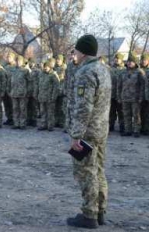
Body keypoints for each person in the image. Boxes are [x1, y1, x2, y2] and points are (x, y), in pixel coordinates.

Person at [67, 34, 111, 229]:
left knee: (86, 172)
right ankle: (100, 211)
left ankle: (89, 215)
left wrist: (76, 135)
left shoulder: (86, 72)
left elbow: (84, 107)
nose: (74, 54)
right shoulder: (103, 69)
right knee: (99, 170)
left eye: (75, 50)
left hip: (87, 133)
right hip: (101, 130)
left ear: (82, 52)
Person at [117, 52, 145, 137]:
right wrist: (119, 96)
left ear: (135, 62)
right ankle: (128, 130)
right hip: (125, 97)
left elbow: (142, 86)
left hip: (135, 98)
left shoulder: (139, 72)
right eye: (128, 61)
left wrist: (141, 97)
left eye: (131, 61)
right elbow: (119, 85)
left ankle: (136, 130)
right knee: (126, 115)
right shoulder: (123, 72)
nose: (129, 63)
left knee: (136, 115)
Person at [36, 61, 59, 131]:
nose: (45, 68)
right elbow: (38, 84)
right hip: (42, 96)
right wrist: (37, 94)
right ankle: (43, 125)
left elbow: (56, 86)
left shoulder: (53, 75)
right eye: (45, 66)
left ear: (50, 67)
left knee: (50, 112)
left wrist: (54, 96)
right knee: (43, 112)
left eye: (47, 67)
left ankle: (50, 126)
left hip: (50, 97)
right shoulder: (41, 74)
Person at [9, 55, 29, 129]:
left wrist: (28, 91)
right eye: (17, 61)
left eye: (19, 61)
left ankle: (22, 124)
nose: (18, 62)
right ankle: (16, 123)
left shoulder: (25, 71)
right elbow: (9, 81)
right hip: (14, 92)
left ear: (22, 62)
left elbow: (29, 81)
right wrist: (9, 90)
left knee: (22, 109)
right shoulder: (12, 70)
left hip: (22, 93)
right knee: (15, 108)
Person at [109, 53, 126, 132]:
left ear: (121, 59)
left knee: (121, 112)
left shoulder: (125, 70)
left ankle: (122, 127)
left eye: (118, 58)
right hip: (111, 94)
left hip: (121, 94)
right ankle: (111, 125)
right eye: (115, 58)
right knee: (111, 111)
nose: (116, 60)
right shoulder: (110, 69)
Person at [65, 50, 79, 132]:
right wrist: (65, 89)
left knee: (78, 110)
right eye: (72, 54)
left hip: (78, 92)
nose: (73, 56)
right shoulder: (69, 66)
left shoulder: (82, 65)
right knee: (69, 109)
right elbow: (66, 78)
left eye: (74, 54)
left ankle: (76, 127)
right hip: (70, 91)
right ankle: (68, 127)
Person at [54, 54, 67, 128]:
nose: (57, 61)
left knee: (62, 107)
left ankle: (62, 122)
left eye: (59, 60)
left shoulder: (64, 68)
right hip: (56, 90)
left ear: (62, 60)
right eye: (57, 59)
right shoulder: (55, 68)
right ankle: (57, 121)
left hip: (62, 90)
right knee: (56, 107)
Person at [3, 52, 15, 125]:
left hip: (12, 88)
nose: (8, 58)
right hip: (5, 88)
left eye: (9, 57)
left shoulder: (15, 66)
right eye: (7, 57)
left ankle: (14, 119)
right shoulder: (5, 66)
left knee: (13, 105)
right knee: (6, 104)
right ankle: (9, 118)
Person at [140, 53, 149, 135]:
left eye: (145, 60)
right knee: (142, 113)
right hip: (140, 95)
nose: (143, 61)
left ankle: (146, 129)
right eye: (142, 60)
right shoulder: (138, 70)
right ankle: (142, 128)